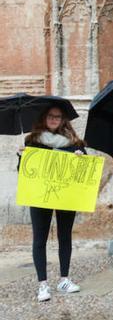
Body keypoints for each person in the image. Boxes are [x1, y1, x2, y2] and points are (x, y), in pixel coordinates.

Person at [21, 106, 86, 302]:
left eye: (57, 116)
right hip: (40, 196)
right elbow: (23, 171)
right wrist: (21, 157)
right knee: (39, 239)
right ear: (44, 118)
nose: (54, 119)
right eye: (50, 116)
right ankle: (43, 285)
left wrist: (80, 158)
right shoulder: (32, 141)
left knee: (64, 236)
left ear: (63, 120)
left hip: (66, 195)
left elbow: (84, 171)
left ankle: (64, 279)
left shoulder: (74, 143)